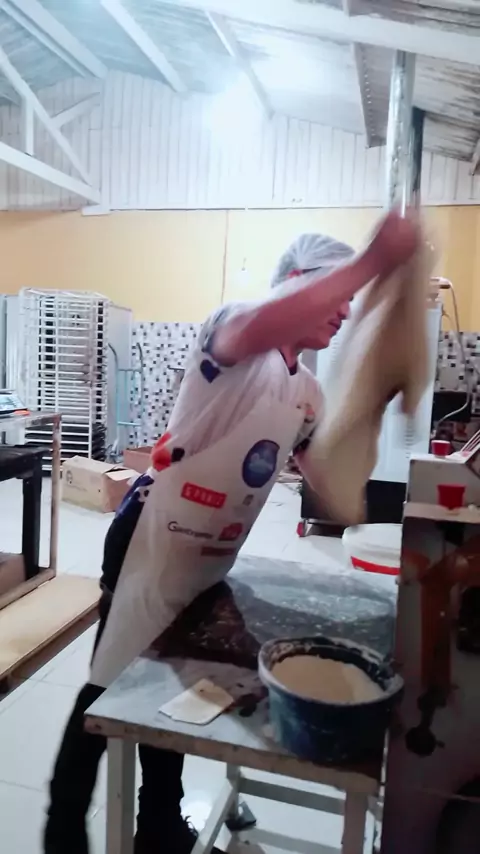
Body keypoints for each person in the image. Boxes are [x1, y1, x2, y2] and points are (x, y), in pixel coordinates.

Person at [44, 210, 420, 854]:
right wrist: (371, 262)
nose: (343, 312)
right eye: (335, 293)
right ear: (296, 282)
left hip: (210, 556)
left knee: (167, 684)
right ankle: (63, 828)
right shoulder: (235, 335)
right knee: (110, 685)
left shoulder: (307, 393)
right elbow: (257, 326)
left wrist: (374, 404)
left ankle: (159, 825)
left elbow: (330, 487)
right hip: (153, 539)